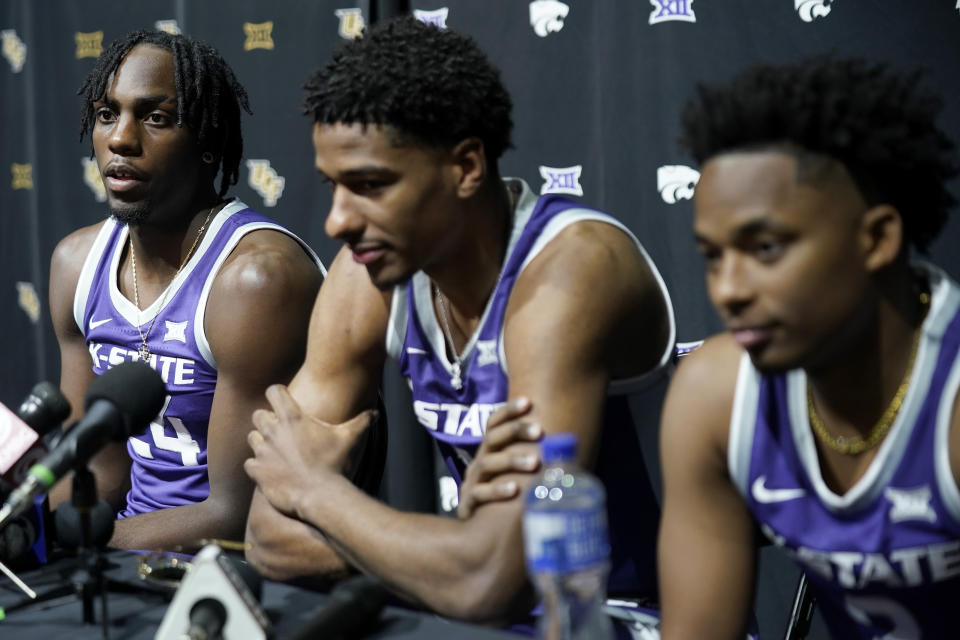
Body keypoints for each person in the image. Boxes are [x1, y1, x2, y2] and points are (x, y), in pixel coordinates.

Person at [242, 16, 675, 630]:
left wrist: (317, 490)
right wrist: (446, 548)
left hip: (620, 615)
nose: (337, 220)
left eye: (370, 185)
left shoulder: (570, 271)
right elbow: (267, 539)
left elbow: (487, 580)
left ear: (466, 166)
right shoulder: (366, 273)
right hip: (461, 611)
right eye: (332, 187)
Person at [655, 57, 960, 639]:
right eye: (713, 256)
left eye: (765, 247)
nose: (728, 291)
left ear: (876, 239)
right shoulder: (715, 396)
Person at [47, 30, 326, 550]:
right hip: (126, 557)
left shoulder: (255, 279)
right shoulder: (76, 265)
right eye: (107, 114)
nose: (121, 139)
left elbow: (235, 513)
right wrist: (49, 534)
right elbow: (97, 472)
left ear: (208, 142)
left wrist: (74, 546)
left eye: (156, 118)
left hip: (237, 571)